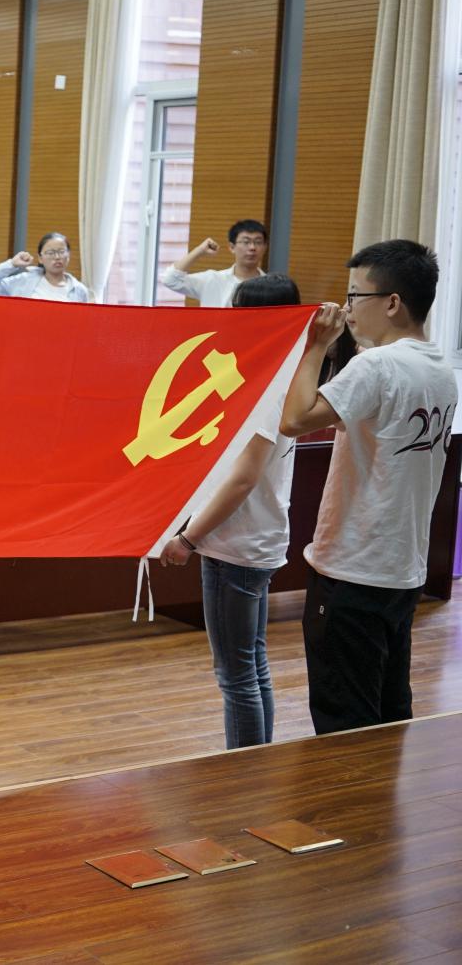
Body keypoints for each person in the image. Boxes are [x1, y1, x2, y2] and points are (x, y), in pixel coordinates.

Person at [280, 239, 457, 736]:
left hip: (353, 567)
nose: (348, 307)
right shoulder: (440, 368)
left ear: (392, 303)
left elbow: (294, 420)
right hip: (401, 568)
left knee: (345, 723)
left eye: (355, 295)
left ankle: (351, 791)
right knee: (389, 710)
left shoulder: (377, 367)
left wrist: (316, 346)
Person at [158, 274, 301, 749]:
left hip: (236, 546)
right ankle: (256, 759)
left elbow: (243, 479)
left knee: (237, 674)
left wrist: (188, 538)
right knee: (252, 665)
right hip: (256, 539)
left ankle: (245, 771)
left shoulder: (269, 391)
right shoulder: (288, 379)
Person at [161, 220, 268, 307]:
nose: (252, 247)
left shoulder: (270, 287)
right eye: (246, 242)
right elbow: (170, 280)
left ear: (265, 247)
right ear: (232, 247)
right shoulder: (212, 280)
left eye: (258, 242)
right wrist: (199, 250)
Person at [0, 233, 92, 302]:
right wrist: (12, 264)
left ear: (68, 255)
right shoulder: (24, 280)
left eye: (61, 252)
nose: (57, 257)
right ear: (40, 258)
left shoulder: (79, 290)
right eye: (50, 253)